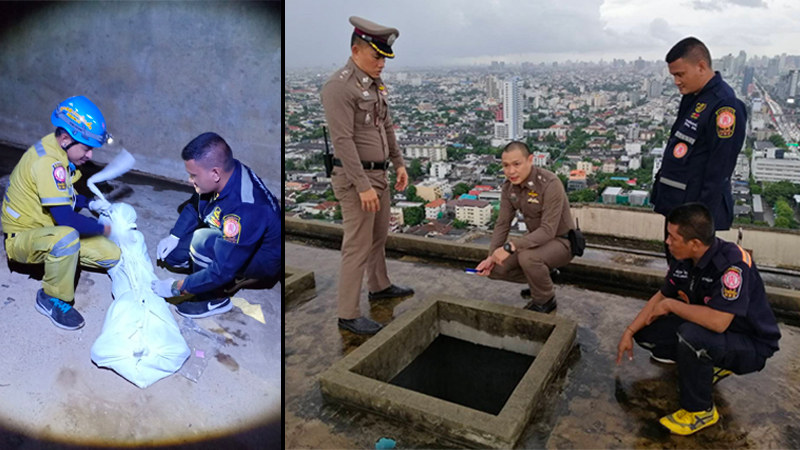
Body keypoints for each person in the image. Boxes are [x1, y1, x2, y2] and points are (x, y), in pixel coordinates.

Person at [616, 203, 780, 436]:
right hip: (718, 332)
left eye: (673, 237)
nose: (667, 242)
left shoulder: (732, 265)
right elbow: (662, 295)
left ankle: (700, 411)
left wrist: (673, 305)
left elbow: (718, 322)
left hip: (750, 343)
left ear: (694, 243)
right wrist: (629, 331)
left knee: (691, 336)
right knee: (648, 330)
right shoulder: (683, 258)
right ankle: (704, 364)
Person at [320, 16, 413, 335]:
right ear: (356, 50)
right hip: (355, 179)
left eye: (384, 57)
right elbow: (343, 141)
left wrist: (399, 163)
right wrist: (361, 186)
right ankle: (348, 313)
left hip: (379, 176)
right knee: (357, 245)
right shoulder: (339, 87)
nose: (382, 63)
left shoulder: (372, 85)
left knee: (377, 239)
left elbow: (385, 126)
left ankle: (380, 285)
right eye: (377, 56)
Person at [1, 96, 120, 330]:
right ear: (65, 138)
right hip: (22, 238)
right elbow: (65, 218)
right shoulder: (48, 162)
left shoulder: (60, 153)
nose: (90, 155)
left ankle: (57, 261)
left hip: (46, 230)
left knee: (112, 254)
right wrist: (104, 228)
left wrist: (89, 204)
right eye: (86, 148)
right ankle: (51, 298)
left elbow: (64, 195)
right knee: (68, 237)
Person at [151, 132, 281, 318]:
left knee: (201, 241)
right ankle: (204, 271)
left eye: (193, 175)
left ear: (215, 173)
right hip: (229, 233)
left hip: (261, 260)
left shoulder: (246, 208)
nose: (189, 180)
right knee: (172, 256)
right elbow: (195, 205)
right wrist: (175, 236)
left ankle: (214, 300)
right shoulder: (223, 174)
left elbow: (222, 270)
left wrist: (177, 287)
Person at [652, 37, 747, 259]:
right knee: (676, 275)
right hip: (677, 206)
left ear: (701, 66)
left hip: (693, 215)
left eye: (680, 74)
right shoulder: (694, 98)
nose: (676, 81)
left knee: (694, 280)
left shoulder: (725, 106)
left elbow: (719, 169)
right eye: (674, 75)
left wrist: (698, 221)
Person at [474, 141, 574, 313]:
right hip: (536, 242)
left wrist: (510, 246)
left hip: (562, 242)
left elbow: (548, 230)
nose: (511, 171)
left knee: (528, 257)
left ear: (530, 160)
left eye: (516, 164)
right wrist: (491, 257)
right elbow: (503, 223)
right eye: (506, 166)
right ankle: (543, 277)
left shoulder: (550, 183)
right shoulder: (509, 188)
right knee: (495, 269)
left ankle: (545, 299)